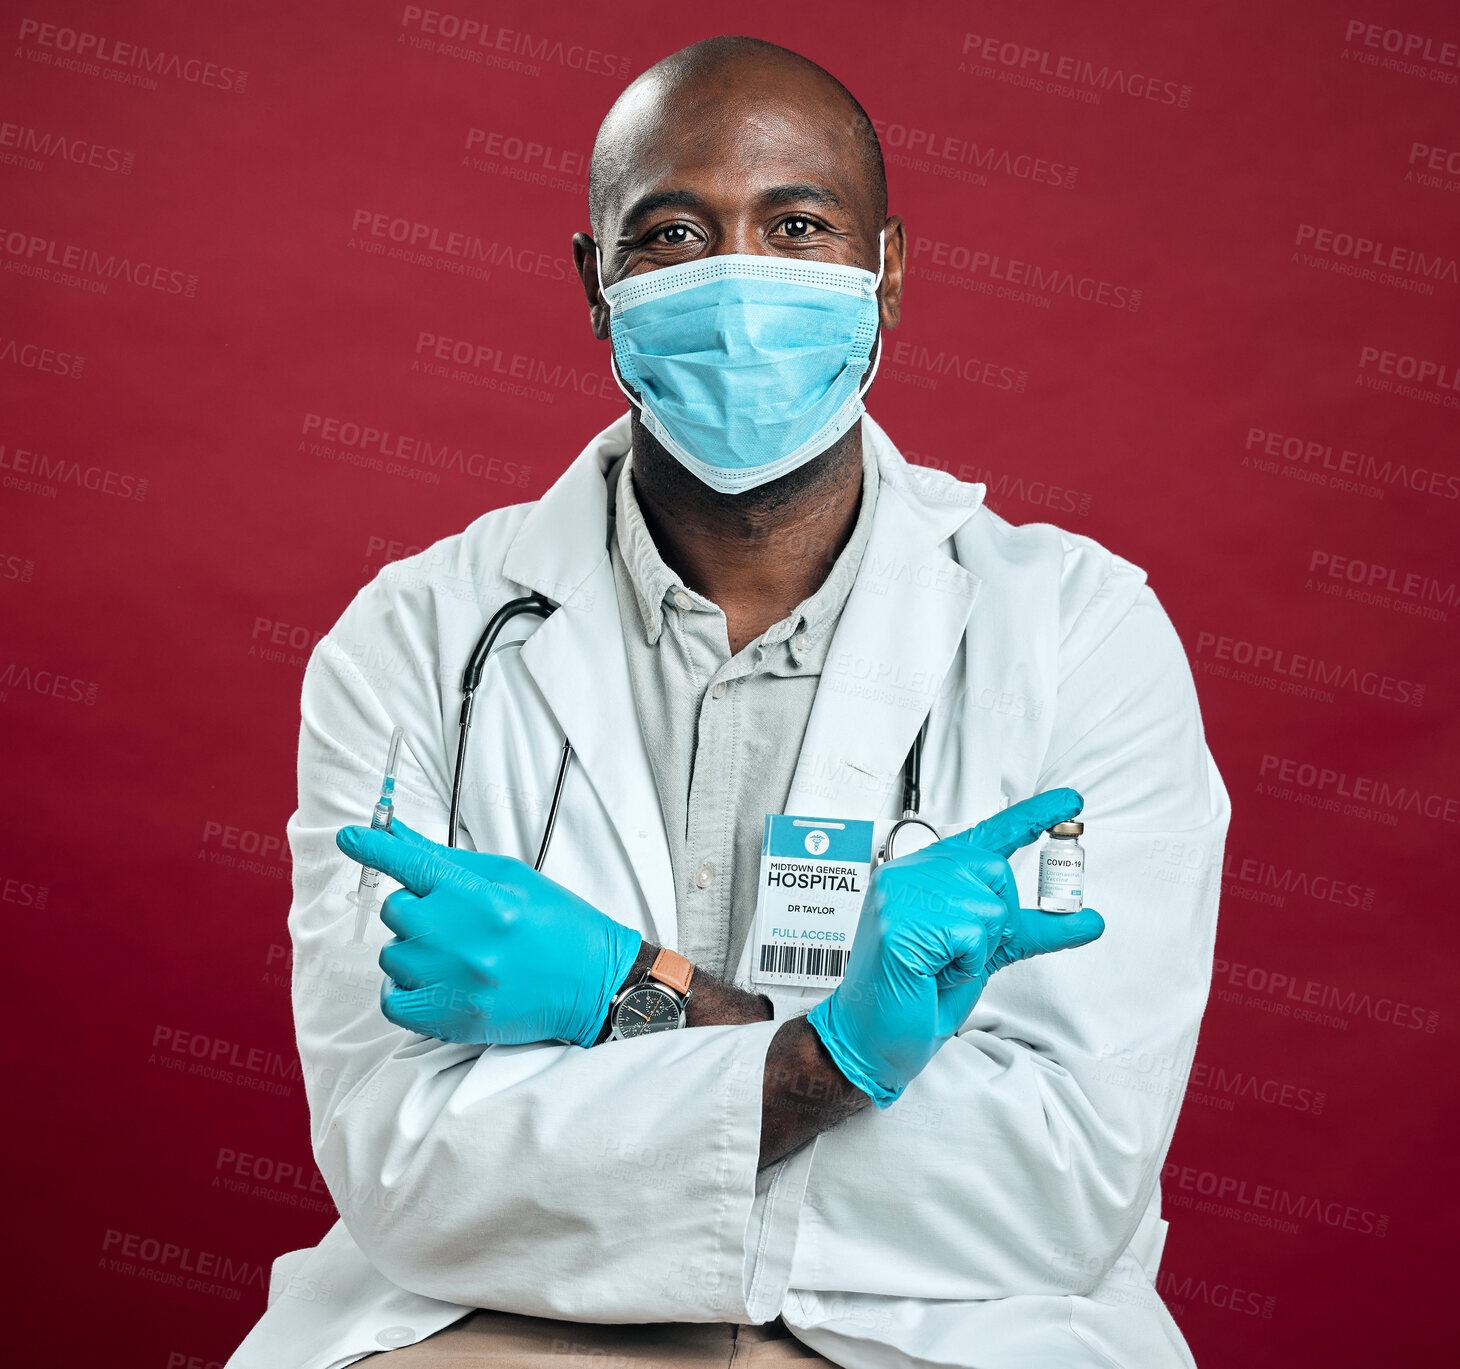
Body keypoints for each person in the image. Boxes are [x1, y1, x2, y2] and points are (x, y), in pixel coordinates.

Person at [225, 34, 1229, 1369]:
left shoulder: (1081, 634)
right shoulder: (412, 641)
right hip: (508, 1322)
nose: (739, 284)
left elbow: (1056, 1183)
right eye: (671, 235)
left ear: (891, 269)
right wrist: (838, 1064)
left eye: (798, 225)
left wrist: (627, 1003)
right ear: (597, 283)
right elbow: (402, 1164)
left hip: (945, 1334)